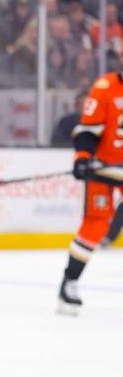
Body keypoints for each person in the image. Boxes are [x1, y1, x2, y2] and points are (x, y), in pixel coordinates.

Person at [59, 71, 123, 313]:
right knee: (95, 226)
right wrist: (83, 158)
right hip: (104, 168)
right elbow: (87, 131)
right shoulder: (105, 87)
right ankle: (70, 283)